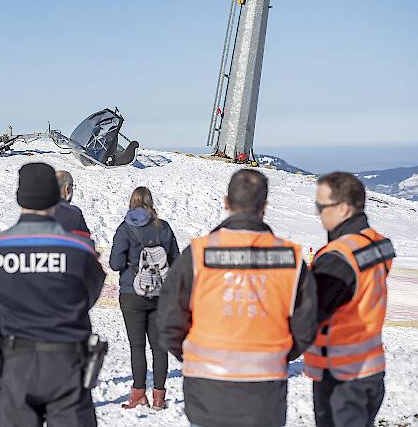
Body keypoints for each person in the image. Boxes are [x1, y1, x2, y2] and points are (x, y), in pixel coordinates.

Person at [158, 169, 318, 427]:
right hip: (264, 393)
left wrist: (193, 357)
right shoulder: (289, 259)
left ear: (226, 202)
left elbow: (168, 322)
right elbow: (306, 326)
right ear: (264, 207)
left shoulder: (198, 255)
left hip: (207, 392)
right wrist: (276, 355)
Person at [0, 162, 105, 427]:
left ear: (19, 197)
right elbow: (90, 295)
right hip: (67, 361)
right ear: (55, 196)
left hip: (16, 361)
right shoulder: (79, 249)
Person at [305, 172, 393, 427]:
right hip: (371, 369)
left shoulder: (337, 258)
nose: (318, 213)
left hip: (340, 376)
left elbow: (310, 314)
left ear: (343, 208)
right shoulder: (375, 243)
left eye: (321, 206)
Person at [109, 186, 179, 410]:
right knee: (159, 347)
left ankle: (138, 393)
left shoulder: (125, 228)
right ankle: (159, 396)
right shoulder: (164, 227)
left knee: (137, 346)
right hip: (160, 293)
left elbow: (115, 264)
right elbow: (176, 261)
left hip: (132, 293)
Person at [54, 170, 90, 237]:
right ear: (67, 188)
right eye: (72, 186)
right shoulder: (74, 214)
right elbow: (85, 241)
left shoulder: (36, 210)